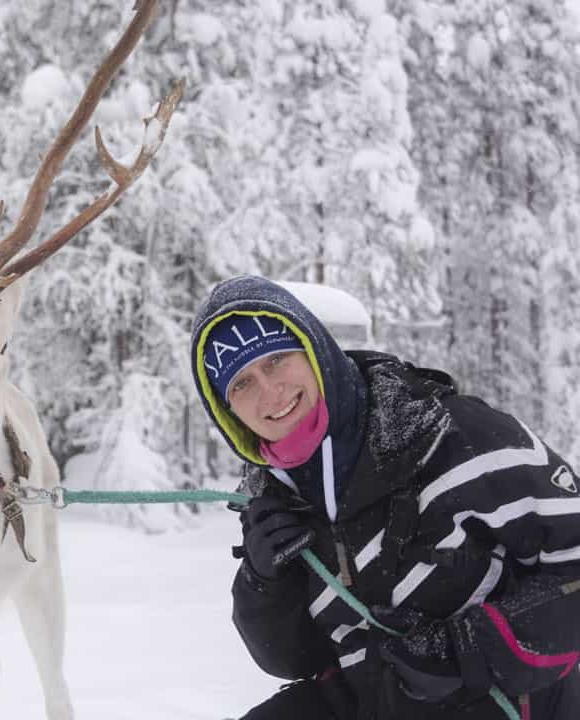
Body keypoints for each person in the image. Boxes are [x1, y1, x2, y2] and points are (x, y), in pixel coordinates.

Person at [189, 275, 580, 720]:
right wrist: (264, 584)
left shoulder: (453, 436)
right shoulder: (276, 499)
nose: (269, 391)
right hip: (373, 701)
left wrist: (470, 649)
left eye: (277, 359)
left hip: (509, 701)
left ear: (313, 349)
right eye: (241, 383)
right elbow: (295, 661)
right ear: (226, 410)